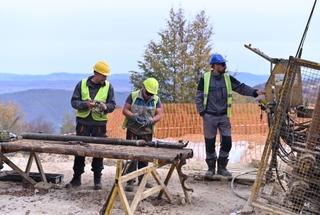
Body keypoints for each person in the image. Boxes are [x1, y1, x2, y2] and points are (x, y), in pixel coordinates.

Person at [195, 54, 264, 178]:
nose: (224, 66)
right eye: (222, 64)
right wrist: (202, 113)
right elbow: (199, 96)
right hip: (209, 116)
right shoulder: (205, 79)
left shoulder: (227, 78)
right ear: (214, 66)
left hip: (224, 116)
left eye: (224, 64)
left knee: (227, 142)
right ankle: (211, 169)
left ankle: (222, 168)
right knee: (209, 143)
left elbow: (241, 88)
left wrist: (255, 92)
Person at [66, 60, 116, 189]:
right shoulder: (81, 84)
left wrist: (105, 107)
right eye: (103, 75)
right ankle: (76, 178)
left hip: (99, 124)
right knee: (79, 150)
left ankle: (97, 180)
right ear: (96, 73)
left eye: (106, 76)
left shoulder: (108, 87)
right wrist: (85, 104)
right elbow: (74, 102)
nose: (105, 78)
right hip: (83, 123)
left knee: (98, 151)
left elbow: (112, 105)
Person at [122, 77, 162, 192]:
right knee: (132, 155)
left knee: (144, 156)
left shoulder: (156, 99)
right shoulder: (133, 96)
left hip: (146, 132)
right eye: (147, 93)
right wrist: (133, 117)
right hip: (132, 130)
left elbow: (159, 114)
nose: (149, 95)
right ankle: (130, 180)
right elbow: (125, 110)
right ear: (143, 88)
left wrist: (151, 120)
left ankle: (143, 179)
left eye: (151, 94)